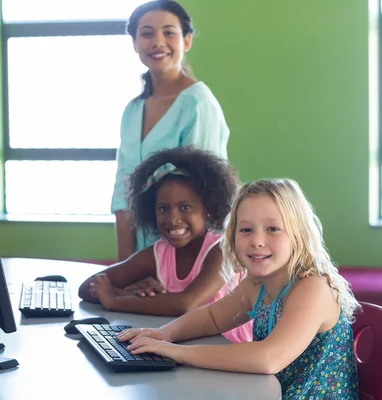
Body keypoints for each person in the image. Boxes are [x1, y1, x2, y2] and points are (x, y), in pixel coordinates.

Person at [117, 179, 361, 399]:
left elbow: (268, 358)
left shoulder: (312, 289)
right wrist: (165, 333)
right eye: (246, 230)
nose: (257, 240)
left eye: (272, 229)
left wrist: (177, 353)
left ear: (298, 236)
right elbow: (212, 317)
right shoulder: (256, 284)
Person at [80, 147, 252, 343]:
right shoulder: (159, 254)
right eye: (163, 208)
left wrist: (115, 300)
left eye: (185, 207)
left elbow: (186, 304)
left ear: (209, 209)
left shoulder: (222, 251)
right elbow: (88, 287)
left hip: (226, 349)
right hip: (182, 344)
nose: (173, 219)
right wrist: (128, 293)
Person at [113, 0, 230, 262]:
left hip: (187, 264)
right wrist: (126, 268)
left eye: (168, 32)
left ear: (186, 41)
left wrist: (175, 272)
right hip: (142, 262)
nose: (157, 41)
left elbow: (203, 199)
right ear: (134, 43)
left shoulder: (198, 103)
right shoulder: (132, 110)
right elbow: (122, 197)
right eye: (146, 33)